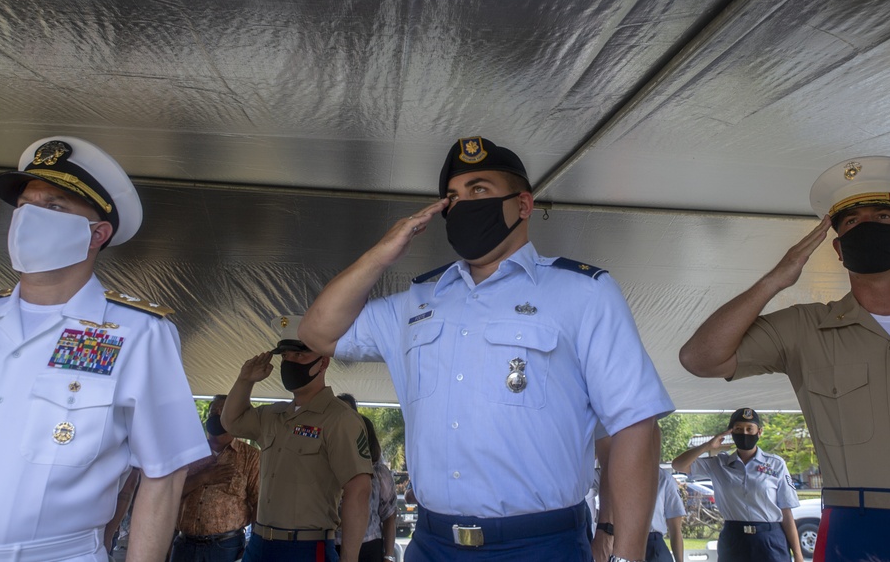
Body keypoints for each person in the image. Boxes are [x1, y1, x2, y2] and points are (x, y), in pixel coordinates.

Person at [298, 136, 674, 562]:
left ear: (524, 204)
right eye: (453, 198)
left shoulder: (583, 293)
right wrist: (384, 252)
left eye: (479, 190)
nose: (464, 206)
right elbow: (317, 333)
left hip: (540, 545)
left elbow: (634, 426)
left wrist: (626, 554)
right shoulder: (417, 302)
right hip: (432, 543)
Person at [678, 156, 890, 561]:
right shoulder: (805, 329)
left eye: (883, 216)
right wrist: (777, 278)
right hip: (856, 528)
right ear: (838, 248)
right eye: (852, 222)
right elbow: (699, 358)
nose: (867, 228)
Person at [0, 136, 210, 561]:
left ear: (96, 234)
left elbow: (164, 473)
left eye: (54, 206)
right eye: (24, 205)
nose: (28, 218)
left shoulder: (136, 333)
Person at [221, 315, 373, 562]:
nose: (290, 362)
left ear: (323, 362)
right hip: (259, 545)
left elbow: (359, 491)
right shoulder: (273, 414)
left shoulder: (339, 419)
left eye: (300, 355)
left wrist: (349, 559)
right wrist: (244, 380)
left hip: (306, 548)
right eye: (286, 356)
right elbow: (232, 422)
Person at [671, 408, 802, 562]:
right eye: (738, 429)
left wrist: (798, 556)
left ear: (759, 432)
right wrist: (707, 445)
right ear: (731, 433)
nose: (744, 433)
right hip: (734, 539)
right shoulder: (719, 464)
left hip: (770, 539)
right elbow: (678, 465)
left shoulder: (775, 464)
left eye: (749, 429)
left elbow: (786, 513)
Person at [171, 394, 261, 562]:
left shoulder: (250, 456)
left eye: (223, 412)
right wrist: (203, 477)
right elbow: (170, 493)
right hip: (185, 544)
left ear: (235, 417)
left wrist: (253, 544)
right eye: (213, 413)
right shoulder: (190, 452)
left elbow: (258, 503)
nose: (216, 417)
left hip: (227, 546)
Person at [335, 395, 398, 562]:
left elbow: (389, 515)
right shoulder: (325, 466)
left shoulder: (378, 472)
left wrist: (389, 555)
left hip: (369, 546)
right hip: (330, 544)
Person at [645, 470, 685, 562]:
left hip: (653, 545)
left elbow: (675, 528)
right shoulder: (616, 472)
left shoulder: (664, 478)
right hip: (619, 543)